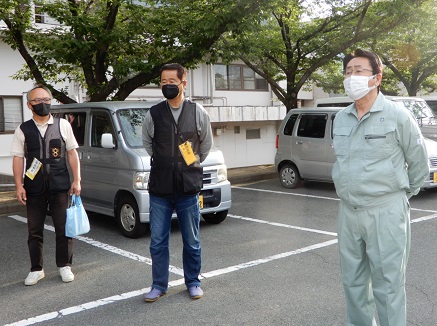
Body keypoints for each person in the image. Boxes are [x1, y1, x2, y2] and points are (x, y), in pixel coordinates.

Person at [332, 49, 429, 326]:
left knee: (388, 286)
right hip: (348, 212)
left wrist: (399, 196)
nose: (352, 76)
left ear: (377, 77)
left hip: (386, 211)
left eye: (359, 70)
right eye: (348, 71)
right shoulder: (340, 118)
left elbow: (419, 164)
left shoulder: (398, 115)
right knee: (353, 283)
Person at [142, 63, 213, 302]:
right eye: (163, 82)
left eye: (172, 81)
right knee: (157, 242)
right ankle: (158, 285)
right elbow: (148, 143)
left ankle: (193, 282)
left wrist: (187, 165)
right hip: (160, 188)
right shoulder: (153, 114)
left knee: (191, 240)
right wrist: (166, 161)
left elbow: (205, 145)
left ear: (184, 83)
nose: (167, 85)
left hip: (188, 187)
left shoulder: (197, 112)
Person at [11, 84, 81, 286]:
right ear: (29, 105)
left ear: (51, 102)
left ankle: (65, 266)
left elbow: (72, 153)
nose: (43, 104)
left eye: (46, 100)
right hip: (34, 187)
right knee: (34, 230)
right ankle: (36, 269)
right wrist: (18, 185)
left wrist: (77, 180)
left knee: (63, 228)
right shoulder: (23, 129)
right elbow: (18, 158)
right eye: (37, 101)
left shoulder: (63, 125)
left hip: (60, 185)